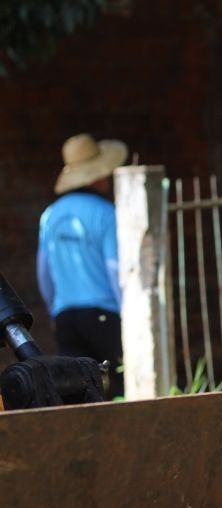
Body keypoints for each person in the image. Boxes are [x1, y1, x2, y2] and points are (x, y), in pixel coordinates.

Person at [36, 133, 128, 398]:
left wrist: (55, 309)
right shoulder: (105, 212)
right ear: (97, 176)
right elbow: (115, 268)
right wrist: (126, 312)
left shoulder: (50, 215)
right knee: (119, 386)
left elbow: (43, 273)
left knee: (79, 391)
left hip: (66, 316)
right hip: (104, 314)